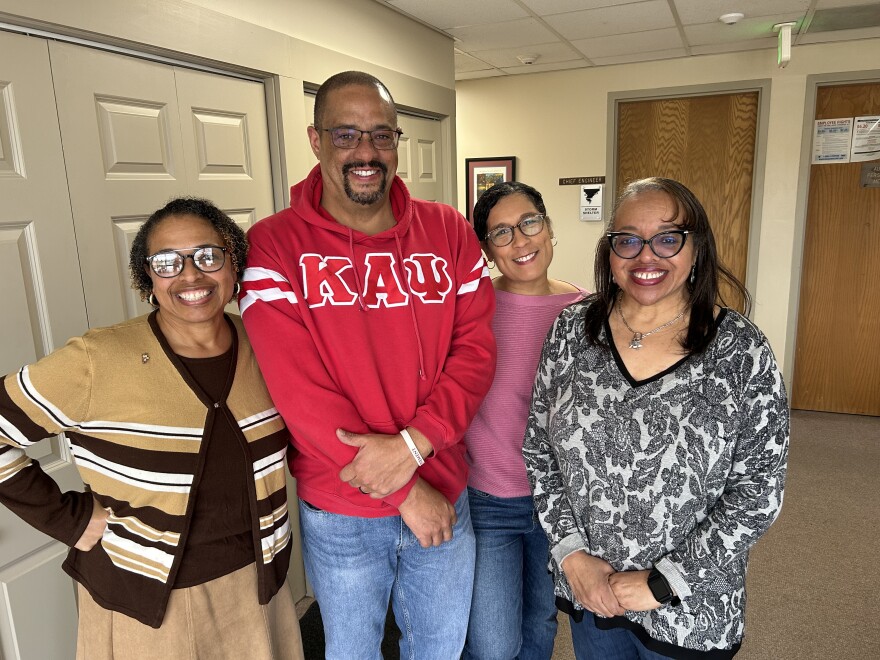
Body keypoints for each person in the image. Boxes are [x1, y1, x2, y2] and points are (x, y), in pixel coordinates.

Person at [238, 71, 496, 659]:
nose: (366, 151)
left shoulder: (449, 231)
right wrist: (404, 490)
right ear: (316, 139)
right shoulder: (274, 246)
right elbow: (299, 392)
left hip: (444, 485)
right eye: (346, 134)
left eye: (381, 135)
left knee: (440, 649)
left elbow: (476, 352)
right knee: (352, 651)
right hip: (343, 508)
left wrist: (414, 446)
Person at [0, 198, 303, 659]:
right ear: (148, 277)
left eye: (208, 255)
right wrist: (70, 520)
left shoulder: (267, 343)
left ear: (233, 262)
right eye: (166, 262)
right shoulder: (97, 360)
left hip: (259, 587)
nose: (191, 275)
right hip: (145, 606)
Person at [523, 177, 789, 659]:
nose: (646, 257)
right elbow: (540, 450)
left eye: (668, 238)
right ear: (610, 252)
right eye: (628, 240)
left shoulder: (740, 350)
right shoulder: (571, 331)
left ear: (697, 248)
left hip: (691, 609)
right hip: (595, 592)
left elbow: (759, 491)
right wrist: (571, 555)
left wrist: (664, 583)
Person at [463, 182, 586, 660]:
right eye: (502, 232)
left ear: (548, 227)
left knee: (540, 621)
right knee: (492, 643)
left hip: (560, 504)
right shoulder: (472, 309)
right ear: (487, 249)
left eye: (529, 222)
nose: (520, 240)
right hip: (489, 498)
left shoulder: (587, 312)